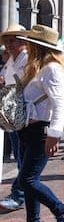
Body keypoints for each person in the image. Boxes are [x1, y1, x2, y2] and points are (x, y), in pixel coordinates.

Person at [2, 25, 64, 222]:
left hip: (41, 131)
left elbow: (59, 103)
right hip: (28, 130)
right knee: (27, 179)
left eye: (31, 42)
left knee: (27, 180)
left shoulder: (52, 68)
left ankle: (63, 210)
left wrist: (54, 134)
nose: (27, 45)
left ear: (38, 45)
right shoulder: (40, 67)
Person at [0, 24, 30, 211]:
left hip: (22, 113)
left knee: (22, 156)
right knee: (20, 155)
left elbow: (25, 83)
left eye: (13, 41)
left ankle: (19, 195)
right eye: (7, 41)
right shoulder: (12, 60)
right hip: (11, 112)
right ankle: (24, 192)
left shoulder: (27, 59)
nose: (9, 45)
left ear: (23, 41)